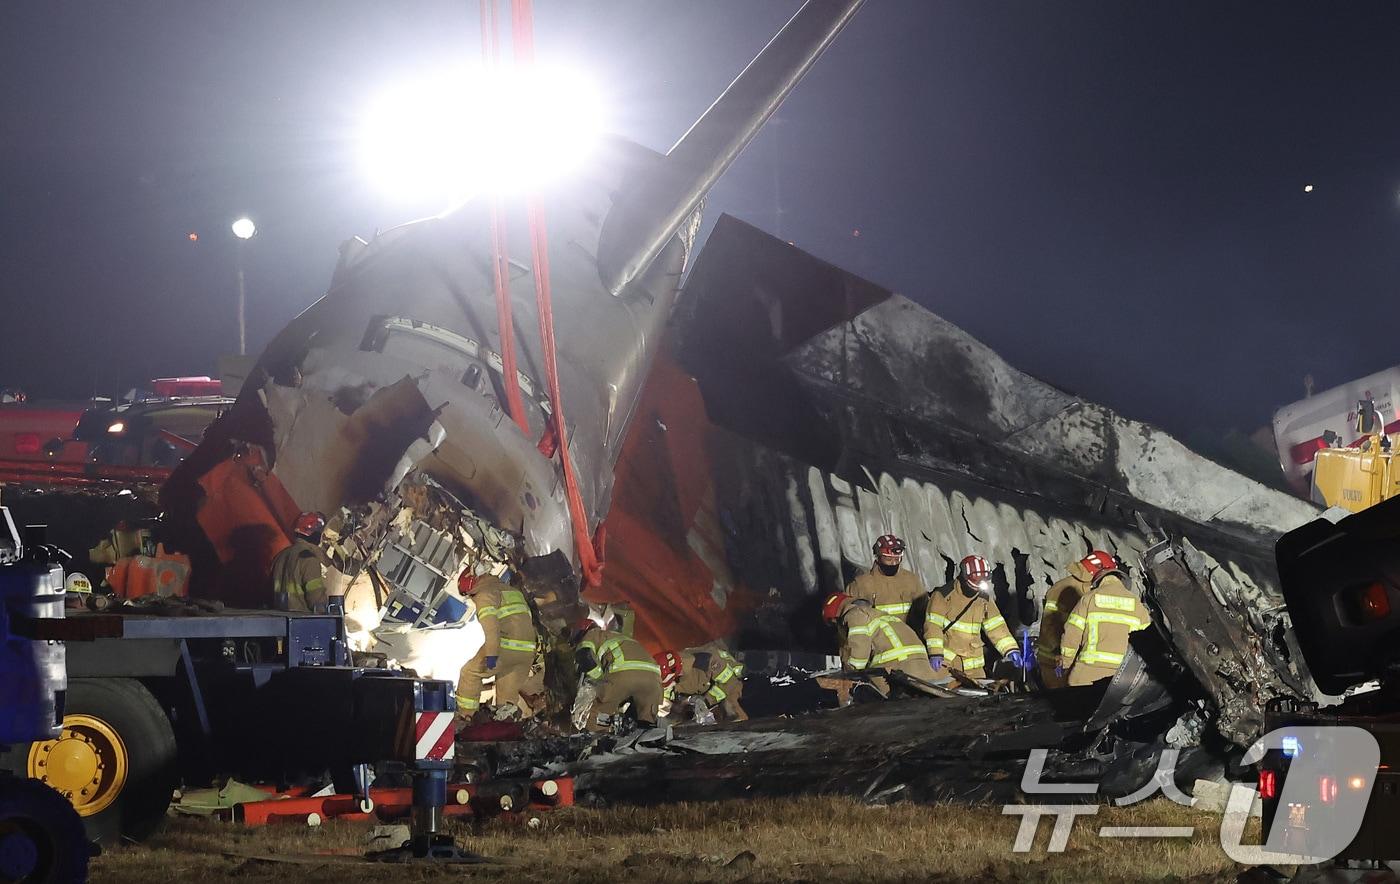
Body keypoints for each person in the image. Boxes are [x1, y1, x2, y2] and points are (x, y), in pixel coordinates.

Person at [455, 570, 540, 721]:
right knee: (507, 698)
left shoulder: (485, 594)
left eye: (468, 595)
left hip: (506, 647)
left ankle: (467, 717)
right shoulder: (511, 591)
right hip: (527, 652)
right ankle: (504, 726)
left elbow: (491, 628)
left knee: (470, 673)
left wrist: (492, 654)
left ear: (471, 588)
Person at [924, 554, 1023, 681]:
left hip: (974, 667)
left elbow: (996, 627)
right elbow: (933, 626)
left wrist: (1010, 649)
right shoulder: (943, 595)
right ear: (965, 577)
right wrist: (935, 652)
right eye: (976, 583)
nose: (978, 588)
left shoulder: (983, 599)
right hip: (948, 664)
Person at [1058, 554, 1151, 686]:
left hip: (1089, 671)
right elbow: (1149, 641)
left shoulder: (1089, 598)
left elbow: (1072, 634)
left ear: (1098, 579)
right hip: (1124, 676)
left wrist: (1066, 662)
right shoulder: (1136, 604)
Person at [822, 591, 937, 697]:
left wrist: (849, 675)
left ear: (835, 617)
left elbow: (858, 656)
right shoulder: (880, 614)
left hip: (897, 670)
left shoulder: (854, 615)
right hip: (923, 669)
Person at [575, 617, 663, 732]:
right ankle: (648, 741)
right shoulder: (622, 638)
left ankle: (597, 739)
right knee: (646, 720)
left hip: (623, 674)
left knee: (596, 712)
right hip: (654, 680)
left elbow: (585, 656)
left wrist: (597, 683)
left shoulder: (593, 634)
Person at [1035, 554, 1097, 689]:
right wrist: (1060, 651)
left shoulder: (1089, 589)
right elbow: (1049, 623)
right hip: (1054, 659)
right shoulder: (1064, 588)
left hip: (1070, 659)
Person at [845, 534, 925, 625]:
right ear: (878, 557)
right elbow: (849, 615)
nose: (893, 563)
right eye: (888, 559)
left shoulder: (911, 580)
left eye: (897, 559)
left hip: (907, 636)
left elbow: (924, 609)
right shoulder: (861, 584)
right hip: (877, 637)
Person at [655, 644, 748, 722]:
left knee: (730, 708)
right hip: (699, 694)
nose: (671, 685)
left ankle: (744, 734)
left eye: (672, 682)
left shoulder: (706, 662)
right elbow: (666, 696)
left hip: (730, 681)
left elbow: (729, 684)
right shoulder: (666, 675)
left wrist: (707, 700)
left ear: (679, 673)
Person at [270, 511, 330, 612]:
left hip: (279, 620)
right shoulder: (309, 559)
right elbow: (316, 600)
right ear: (316, 534)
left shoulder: (280, 556)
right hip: (302, 621)